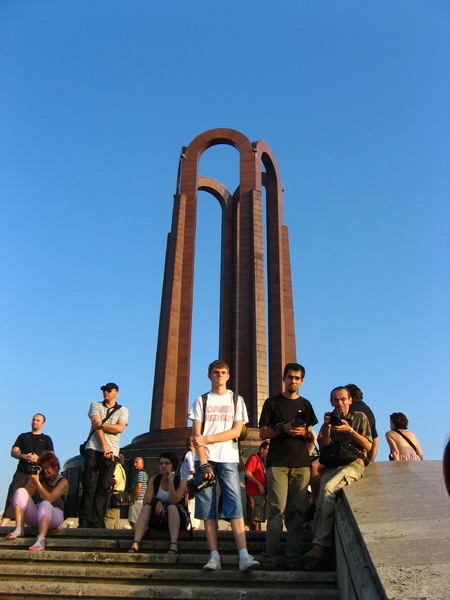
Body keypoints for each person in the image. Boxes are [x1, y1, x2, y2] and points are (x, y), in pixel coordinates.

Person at [188, 359, 260, 572]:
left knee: (235, 503)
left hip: (228, 458)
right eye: (215, 372)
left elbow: (236, 431)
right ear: (209, 376)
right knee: (207, 507)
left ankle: (244, 555)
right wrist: (203, 462)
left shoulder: (237, 400)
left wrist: (208, 439)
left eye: (222, 372)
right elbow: (196, 435)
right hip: (206, 460)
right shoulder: (201, 400)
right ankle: (214, 555)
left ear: (228, 376)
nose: (219, 375)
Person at [304, 386, 372, 568]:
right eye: (335, 400)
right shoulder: (331, 418)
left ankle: (321, 546)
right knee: (321, 496)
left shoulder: (360, 417)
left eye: (343, 399)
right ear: (331, 402)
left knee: (328, 488)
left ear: (350, 400)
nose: (339, 403)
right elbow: (323, 445)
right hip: (334, 464)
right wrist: (327, 427)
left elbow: (368, 445)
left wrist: (350, 430)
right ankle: (316, 540)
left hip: (353, 463)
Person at [258, 362, 318, 570]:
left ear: (302, 381)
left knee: (297, 512)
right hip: (278, 464)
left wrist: (304, 432)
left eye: (297, 378)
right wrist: (282, 428)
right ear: (284, 378)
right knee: (276, 509)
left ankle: (292, 556)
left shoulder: (306, 405)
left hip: (301, 464)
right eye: (290, 377)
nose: (293, 381)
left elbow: (311, 435)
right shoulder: (272, 403)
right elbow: (263, 433)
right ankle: (270, 556)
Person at [78, 382, 128, 528]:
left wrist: (102, 425)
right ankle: (84, 521)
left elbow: (119, 428)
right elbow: (96, 425)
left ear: (116, 393)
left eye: (109, 390)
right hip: (94, 448)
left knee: (103, 487)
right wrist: (105, 446)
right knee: (89, 485)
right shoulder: (95, 405)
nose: (106, 392)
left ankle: (97, 522)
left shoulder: (123, 410)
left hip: (113, 451)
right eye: (104, 390)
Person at [5, 451, 68, 550]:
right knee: (20, 491)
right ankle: (19, 528)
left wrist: (37, 483)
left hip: (55, 517)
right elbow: (25, 496)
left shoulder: (63, 481)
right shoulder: (41, 478)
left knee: (45, 503)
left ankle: (41, 539)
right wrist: (32, 480)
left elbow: (49, 499)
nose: (45, 471)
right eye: (43, 468)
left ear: (55, 468)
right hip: (37, 516)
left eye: (48, 468)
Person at [128, 452, 188, 554]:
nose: (163, 466)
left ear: (173, 465)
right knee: (147, 507)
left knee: (172, 507)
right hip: (159, 516)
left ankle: (173, 544)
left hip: (176, 517)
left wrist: (171, 482)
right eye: (161, 463)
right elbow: (146, 500)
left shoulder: (181, 482)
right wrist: (157, 502)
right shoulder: (154, 479)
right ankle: (136, 542)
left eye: (167, 463)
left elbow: (174, 501)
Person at [1, 413, 54, 526]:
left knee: (34, 498)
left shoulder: (46, 439)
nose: (35, 422)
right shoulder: (23, 436)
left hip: (37, 473)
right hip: (22, 471)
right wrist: (24, 456)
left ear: (43, 424)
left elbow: (51, 456)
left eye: (38, 420)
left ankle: (27, 525)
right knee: (13, 494)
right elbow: (14, 452)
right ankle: (3, 525)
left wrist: (38, 458)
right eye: (34, 419)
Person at [345, 384, 379, 461]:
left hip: (351, 455)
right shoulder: (368, 411)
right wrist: (371, 460)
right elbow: (375, 438)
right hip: (366, 456)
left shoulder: (351, 410)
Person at [245, 441, 269, 531]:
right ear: (262, 450)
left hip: (260, 493)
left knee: (259, 518)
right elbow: (248, 473)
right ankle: (255, 535)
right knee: (255, 518)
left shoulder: (262, 461)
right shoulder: (254, 458)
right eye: (267, 450)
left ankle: (258, 534)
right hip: (254, 492)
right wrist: (259, 485)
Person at [179, 437, 200, 530]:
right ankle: (193, 526)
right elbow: (192, 470)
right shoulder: (190, 454)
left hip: (187, 483)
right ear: (192, 443)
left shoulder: (188, 454)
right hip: (190, 483)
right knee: (192, 504)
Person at [104, 453, 127, 529]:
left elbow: (115, 480)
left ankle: (108, 533)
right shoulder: (122, 469)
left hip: (114, 493)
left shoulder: (116, 468)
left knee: (110, 516)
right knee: (116, 517)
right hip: (120, 494)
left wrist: (107, 481)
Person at [128, 457, 149, 528]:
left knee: (133, 521)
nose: (134, 464)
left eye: (137, 462)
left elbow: (138, 487)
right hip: (142, 500)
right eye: (134, 462)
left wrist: (133, 499)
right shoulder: (144, 474)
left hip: (137, 500)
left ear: (142, 464)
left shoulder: (140, 474)